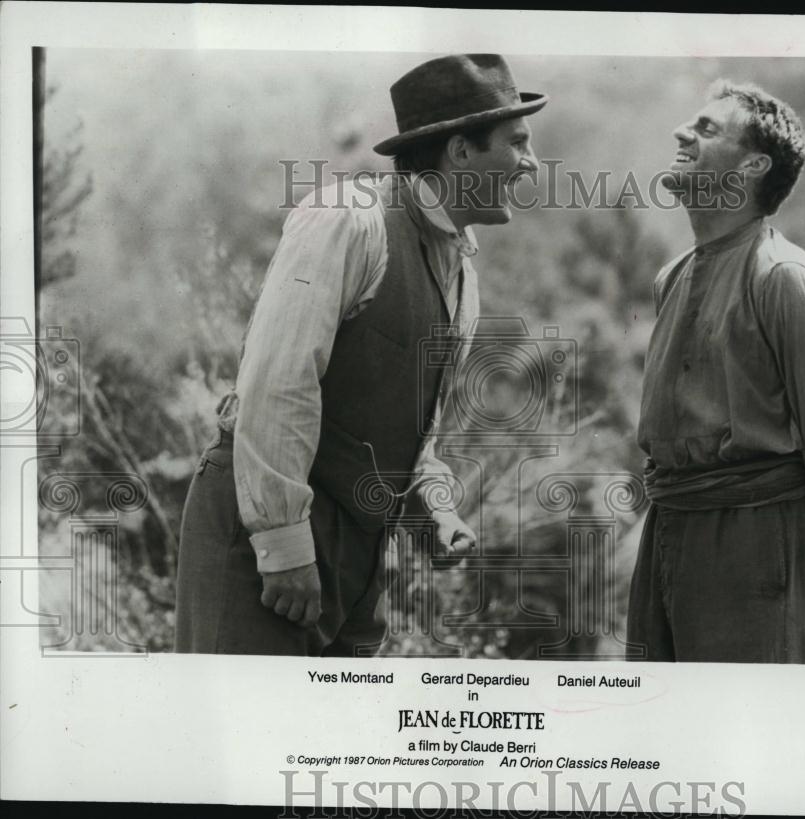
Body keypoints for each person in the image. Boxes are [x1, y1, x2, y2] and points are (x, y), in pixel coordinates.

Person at [174, 54, 545, 656]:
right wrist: (283, 543)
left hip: (358, 560)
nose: (532, 163)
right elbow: (277, 381)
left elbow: (411, 434)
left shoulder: (462, 277)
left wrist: (435, 510)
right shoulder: (348, 221)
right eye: (518, 142)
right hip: (264, 536)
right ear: (460, 151)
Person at [627, 80, 805, 663]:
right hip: (668, 528)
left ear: (753, 165)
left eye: (707, 128)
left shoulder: (783, 276)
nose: (681, 133)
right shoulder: (672, 277)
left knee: (750, 709)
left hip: (756, 540)